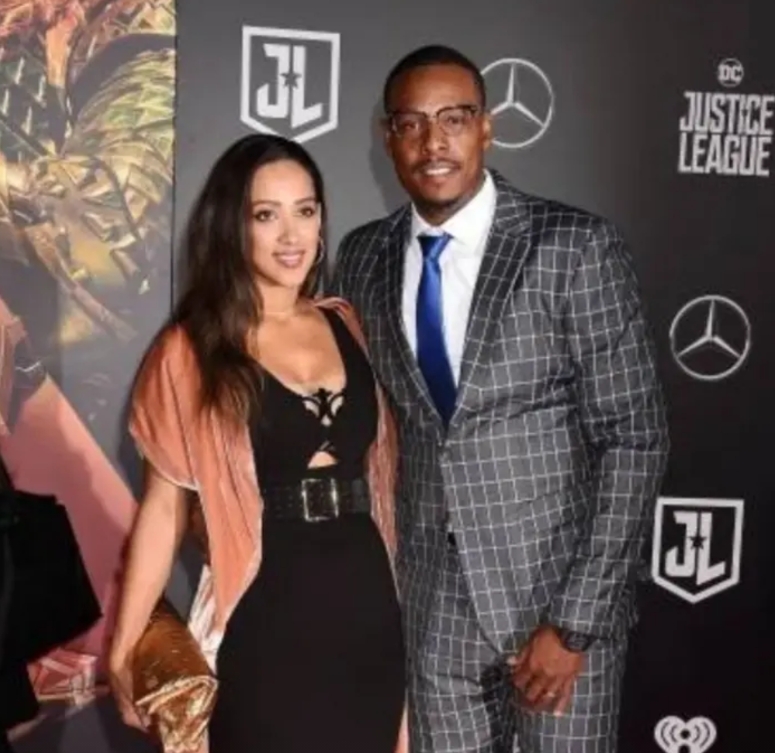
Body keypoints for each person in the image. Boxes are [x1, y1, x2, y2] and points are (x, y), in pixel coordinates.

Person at [332, 45, 669, 753]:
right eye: (411, 123)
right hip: (432, 612)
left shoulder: (572, 247)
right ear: (388, 137)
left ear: (486, 127)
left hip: (555, 604)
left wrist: (574, 622)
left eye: (453, 119)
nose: (433, 144)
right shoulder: (361, 257)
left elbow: (634, 437)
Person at [107, 135, 407, 753]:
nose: (291, 235)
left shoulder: (348, 324)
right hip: (265, 613)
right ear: (231, 226)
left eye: (306, 210)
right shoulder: (190, 350)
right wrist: (123, 646)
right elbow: (163, 510)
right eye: (266, 215)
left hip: (368, 608)